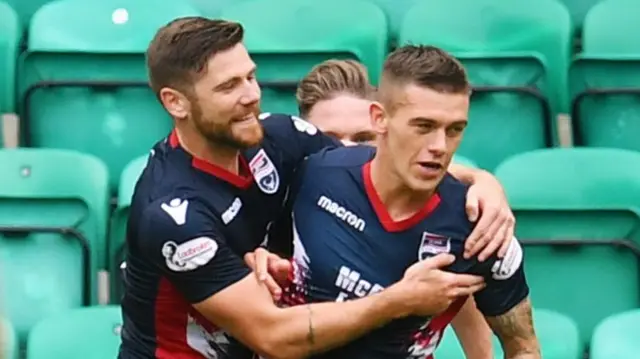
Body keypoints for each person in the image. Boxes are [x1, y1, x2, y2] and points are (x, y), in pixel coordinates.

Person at [119, 17, 516, 359]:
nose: (251, 96)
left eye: (251, 76)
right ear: (176, 103)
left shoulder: (280, 138)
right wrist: (398, 301)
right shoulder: (171, 212)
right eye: (228, 87)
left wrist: (482, 181)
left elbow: (383, 167)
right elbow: (274, 336)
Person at [249, 45, 540, 359]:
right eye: (423, 127)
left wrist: (485, 180)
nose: (440, 146)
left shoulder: (480, 228)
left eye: (455, 130)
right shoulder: (309, 175)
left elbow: (522, 346)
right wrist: (261, 260)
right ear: (380, 118)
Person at [293, 59, 493, 358]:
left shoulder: (437, 213)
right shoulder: (289, 187)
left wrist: (486, 182)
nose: (347, 151)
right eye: (328, 139)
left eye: (362, 139)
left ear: (382, 127)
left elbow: (461, 299)